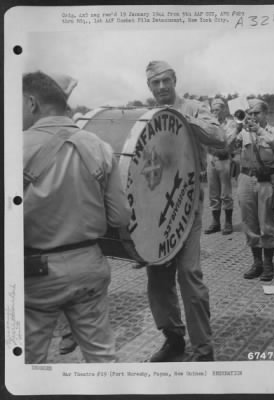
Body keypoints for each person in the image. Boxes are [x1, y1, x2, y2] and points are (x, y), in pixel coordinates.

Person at [23, 71, 131, 363]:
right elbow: (121, 217)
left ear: (31, 103)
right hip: (89, 268)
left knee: (27, 366)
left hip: (35, 274)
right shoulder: (99, 146)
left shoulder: (12, 149)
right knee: (102, 359)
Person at [145, 60, 227, 362]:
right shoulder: (149, 115)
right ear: (149, 87)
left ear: (175, 79)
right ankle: (173, 338)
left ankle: (204, 350)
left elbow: (220, 138)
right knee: (158, 278)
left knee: (189, 273)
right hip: (158, 205)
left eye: (166, 80)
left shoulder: (193, 107)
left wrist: (184, 120)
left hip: (189, 201)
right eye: (156, 83)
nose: (162, 87)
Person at [228, 98, 274, 281]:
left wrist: (259, 130)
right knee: (249, 221)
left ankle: (268, 264)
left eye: (256, 113)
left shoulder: (273, 131)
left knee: (266, 223)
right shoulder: (242, 132)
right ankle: (257, 263)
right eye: (249, 113)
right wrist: (237, 128)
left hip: (266, 180)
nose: (252, 116)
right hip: (245, 178)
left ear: (265, 113)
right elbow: (225, 147)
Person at [204, 98, 234, 235]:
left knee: (226, 193)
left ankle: (228, 222)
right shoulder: (209, 123)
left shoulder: (230, 124)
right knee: (213, 192)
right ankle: (215, 222)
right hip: (211, 157)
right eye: (213, 110)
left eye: (217, 109)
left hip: (224, 159)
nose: (215, 112)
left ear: (223, 110)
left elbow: (226, 141)